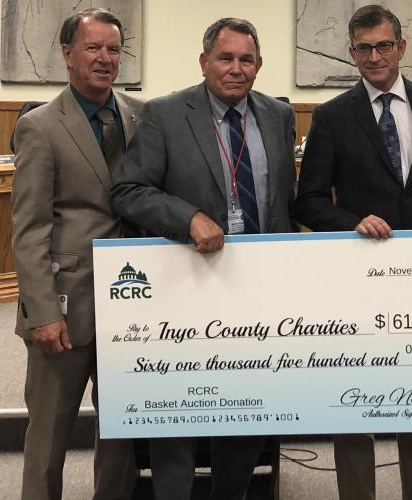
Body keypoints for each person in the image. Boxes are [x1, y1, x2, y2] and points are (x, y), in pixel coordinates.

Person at [110, 17, 296, 500]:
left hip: (257, 291)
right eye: (225, 58)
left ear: (258, 65)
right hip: (187, 287)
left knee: (249, 405)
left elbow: (284, 204)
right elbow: (128, 191)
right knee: (180, 408)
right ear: (204, 61)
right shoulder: (166, 114)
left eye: (246, 59)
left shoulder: (278, 114)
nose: (236, 68)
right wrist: (187, 216)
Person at [294, 5, 412, 500]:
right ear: (351, 53)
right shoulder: (331, 116)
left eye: (384, 45)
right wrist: (352, 223)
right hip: (357, 277)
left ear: (401, 48)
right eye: (364, 48)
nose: (375, 56)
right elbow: (309, 202)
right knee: (355, 398)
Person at [11, 8, 142, 500]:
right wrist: (42, 313)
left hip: (131, 305)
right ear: (67, 54)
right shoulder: (39, 127)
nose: (105, 59)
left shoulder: (139, 114)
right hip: (64, 311)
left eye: (113, 49)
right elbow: (29, 231)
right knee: (49, 436)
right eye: (93, 48)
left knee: (121, 433)